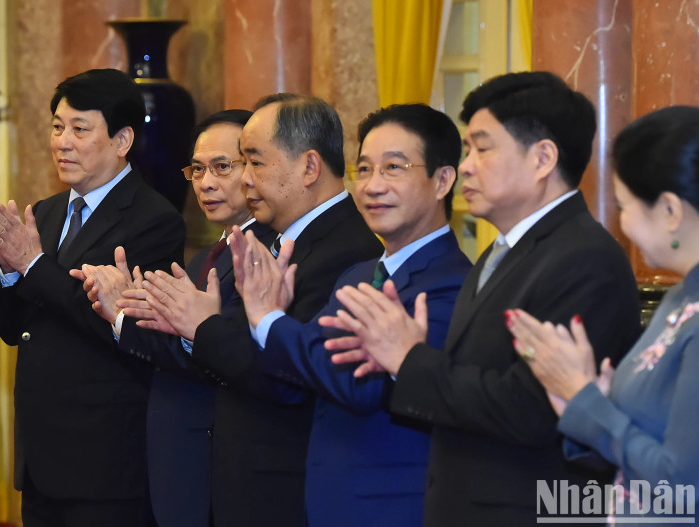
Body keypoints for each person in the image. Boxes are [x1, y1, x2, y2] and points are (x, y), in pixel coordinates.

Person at [319, 71, 642, 525]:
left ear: (542, 158)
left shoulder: (584, 258)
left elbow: (529, 410)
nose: (466, 166)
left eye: (482, 148)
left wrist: (409, 359)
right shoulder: (501, 251)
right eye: (467, 149)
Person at [126, 93, 384, 526]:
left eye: (255, 162)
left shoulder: (345, 251)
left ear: (309, 167)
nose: (244, 179)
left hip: (282, 490)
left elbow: (288, 376)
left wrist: (201, 325)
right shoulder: (279, 240)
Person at [229, 104, 472, 526]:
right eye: (365, 169)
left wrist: (268, 318)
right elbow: (308, 363)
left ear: (442, 180)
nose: (373, 186)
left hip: (390, 510)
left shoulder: (453, 283)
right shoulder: (358, 275)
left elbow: (356, 382)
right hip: (325, 501)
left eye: (394, 168)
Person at [0, 68, 185, 527]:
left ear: (122, 139)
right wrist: (9, 272)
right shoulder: (45, 213)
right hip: (41, 458)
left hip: (104, 463)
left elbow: (126, 332)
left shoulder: (153, 220)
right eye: (57, 127)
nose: (62, 142)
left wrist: (31, 265)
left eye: (80, 129)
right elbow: (14, 330)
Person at [73, 109, 276, 527]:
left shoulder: (266, 255)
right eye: (197, 169)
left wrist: (122, 318)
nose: (205, 183)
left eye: (222, 167)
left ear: (257, 169)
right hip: (176, 464)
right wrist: (133, 309)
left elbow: (220, 357)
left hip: (223, 466)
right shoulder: (205, 258)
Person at [508, 106, 699, 521]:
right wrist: (594, 398)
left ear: (670, 211)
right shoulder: (680, 298)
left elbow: (683, 486)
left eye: (624, 206)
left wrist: (586, 401)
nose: (621, 223)